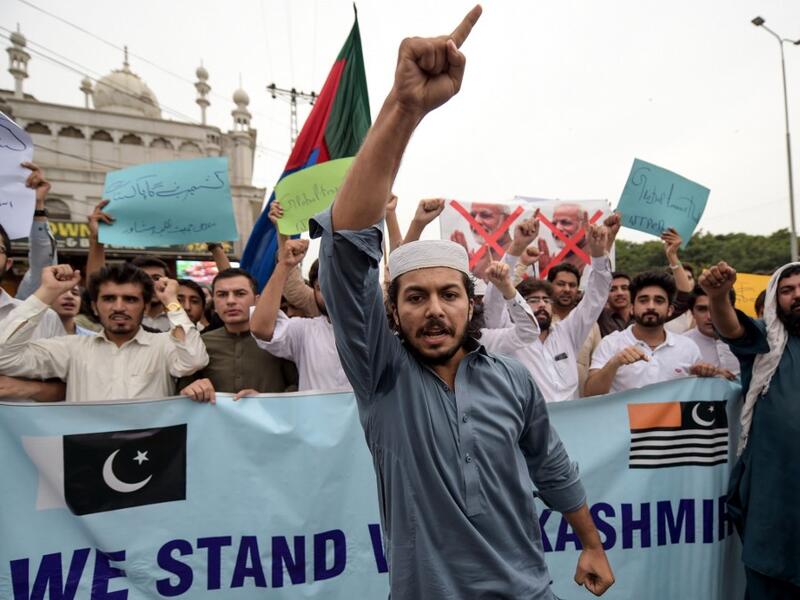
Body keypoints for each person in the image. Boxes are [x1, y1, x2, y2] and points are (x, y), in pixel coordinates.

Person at [310, 7, 614, 598]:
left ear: (470, 305)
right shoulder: (383, 378)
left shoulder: (509, 378)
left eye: (449, 294)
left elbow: (550, 465)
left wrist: (591, 541)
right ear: (392, 314)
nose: (434, 310)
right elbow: (347, 251)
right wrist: (403, 111)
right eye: (415, 297)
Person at [700, 261, 800, 598]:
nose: (796, 295)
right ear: (775, 299)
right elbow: (732, 329)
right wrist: (717, 297)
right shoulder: (767, 346)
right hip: (774, 504)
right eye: (787, 290)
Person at [0, 263, 208, 402]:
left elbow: (194, 359)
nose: (119, 307)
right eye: (109, 299)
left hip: (148, 461)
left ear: (145, 308)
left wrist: (171, 301)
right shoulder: (72, 348)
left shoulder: (163, 345)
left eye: (130, 299)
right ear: (94, 306)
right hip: (85, 460)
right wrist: (47, 291)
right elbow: (5, 357)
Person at [485, 215, 612, 402]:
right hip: (528, 429)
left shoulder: (567, 332)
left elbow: (595, 297)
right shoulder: (506, 336)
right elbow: (494, 302)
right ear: (518, 305)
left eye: (546, 299)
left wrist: (598, 254)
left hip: (570, 426)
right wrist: (516, 248)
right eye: (534, 300)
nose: (542, 304)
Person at [585, 271, 726, 396]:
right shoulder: (611, 343)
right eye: (643, 300)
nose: (651, 306)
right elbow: (590, 393)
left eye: (659, 301)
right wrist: (615, 363)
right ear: (632, 308)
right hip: (622, 425)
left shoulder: (688, 347)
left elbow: (698, 394)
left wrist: (708, 375)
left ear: (670, 310)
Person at [179, 268, 298, 402]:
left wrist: (266, 400)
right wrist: (192, 389)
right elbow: (182, 389)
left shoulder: (277, 339)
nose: (230, 301)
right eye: (222, 295)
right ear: (214, 303)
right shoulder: (200, 343)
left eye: (240, 294)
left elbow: (298, 386)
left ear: (257, 300)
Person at [250, 240, 351, 391]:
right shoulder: (304, 331)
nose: (330, 293)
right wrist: (284, 265)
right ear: (314, 291)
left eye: (338, 284)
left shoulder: (378, 332)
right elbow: (260, 328)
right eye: (321, 287)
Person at [682, 286, 739, 377]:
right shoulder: (680, 346)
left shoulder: (749, 342)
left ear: (732, 310)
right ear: (692, 312)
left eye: (717, 308)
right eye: (702, 309)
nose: (709, 316)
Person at [450, 201, 514, 281]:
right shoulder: (479, 257)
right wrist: (465, 263)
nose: (476, 221)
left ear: (506, 219)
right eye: (472, 216)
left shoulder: (519, 255)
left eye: (485, 215)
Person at [597, 272, 633, 337]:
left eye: (624, 288)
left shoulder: (640, 316)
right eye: (612, 289)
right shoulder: (600, 316)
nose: (620, 293)